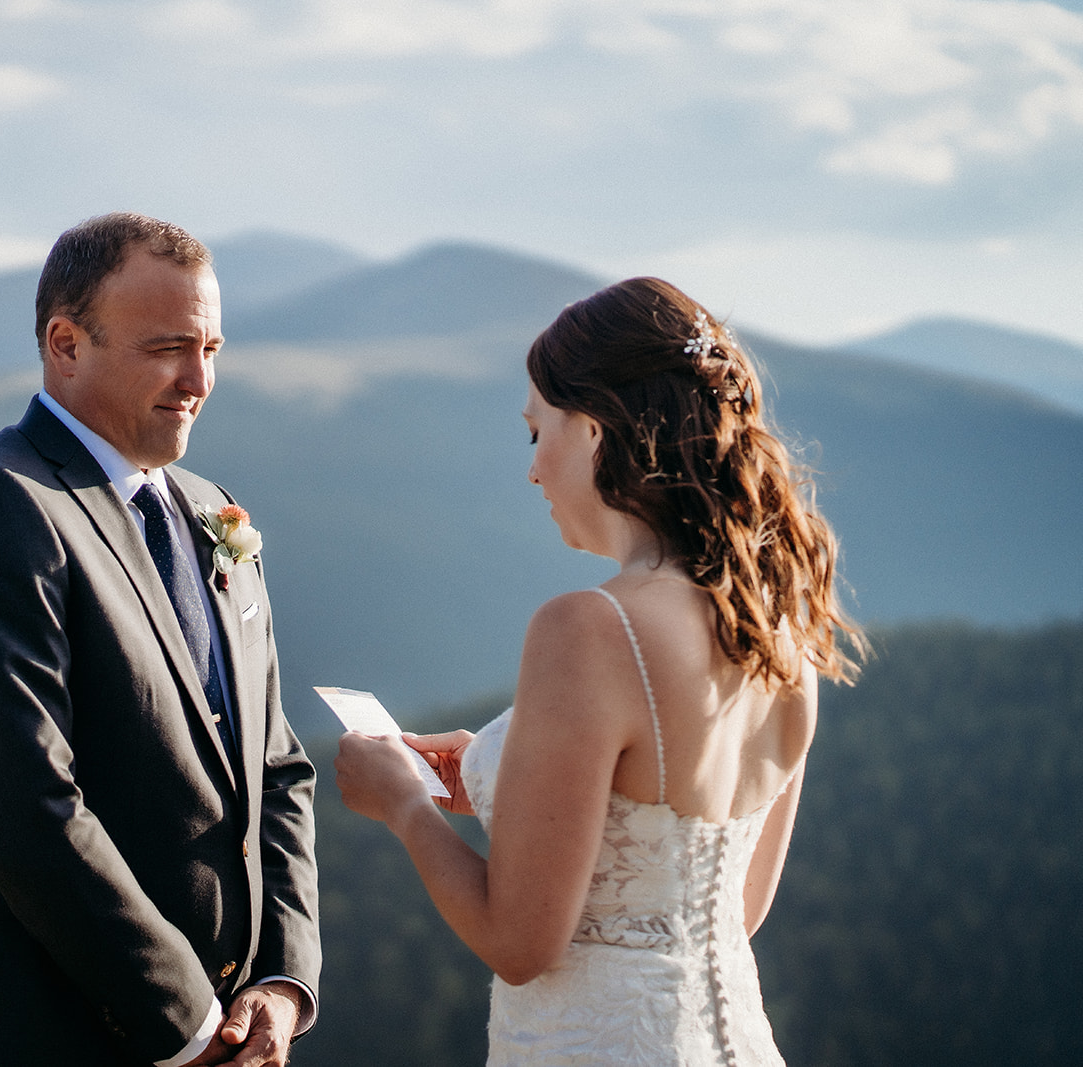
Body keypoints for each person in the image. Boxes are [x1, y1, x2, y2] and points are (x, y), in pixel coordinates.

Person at [334, 277, 864, 1065]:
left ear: (592, 429)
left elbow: (520, 944)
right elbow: (733, 911)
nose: (532, 470)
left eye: (535, 432)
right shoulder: (777, 627)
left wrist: (404, 804)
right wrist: (497, 774)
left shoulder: (589, 627)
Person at [0, 213, 321, 1066]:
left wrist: (281, 978)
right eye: (168, 348)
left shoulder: (210, 508)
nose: (199, 379)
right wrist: (187, 1022)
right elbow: (24, 808)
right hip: (32, 1036)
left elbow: (275, 769)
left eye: (211, 348)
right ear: (66, 343)